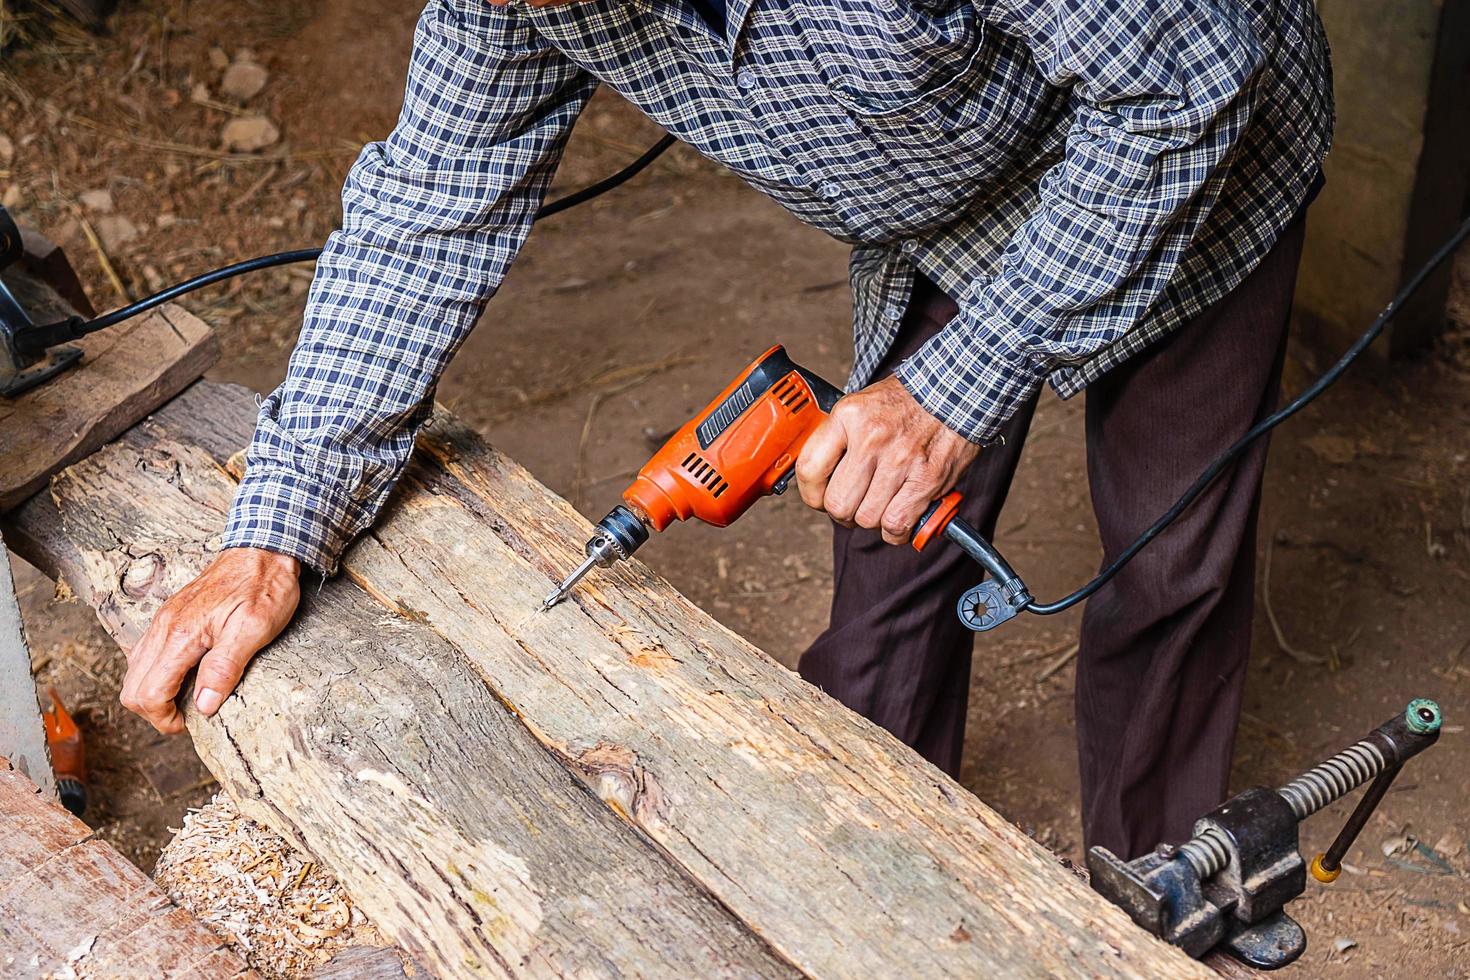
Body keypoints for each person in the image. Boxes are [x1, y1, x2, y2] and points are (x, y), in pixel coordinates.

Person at [120, 0, 1333, 858]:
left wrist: (958, 389)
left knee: (1166, 557)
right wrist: (274, 535)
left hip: (1189, 147)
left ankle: (1161, 885)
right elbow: (424, 216)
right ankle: (860, 862)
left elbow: (1187, 80)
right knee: (885, 544)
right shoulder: (508, 2)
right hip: (959, 183)